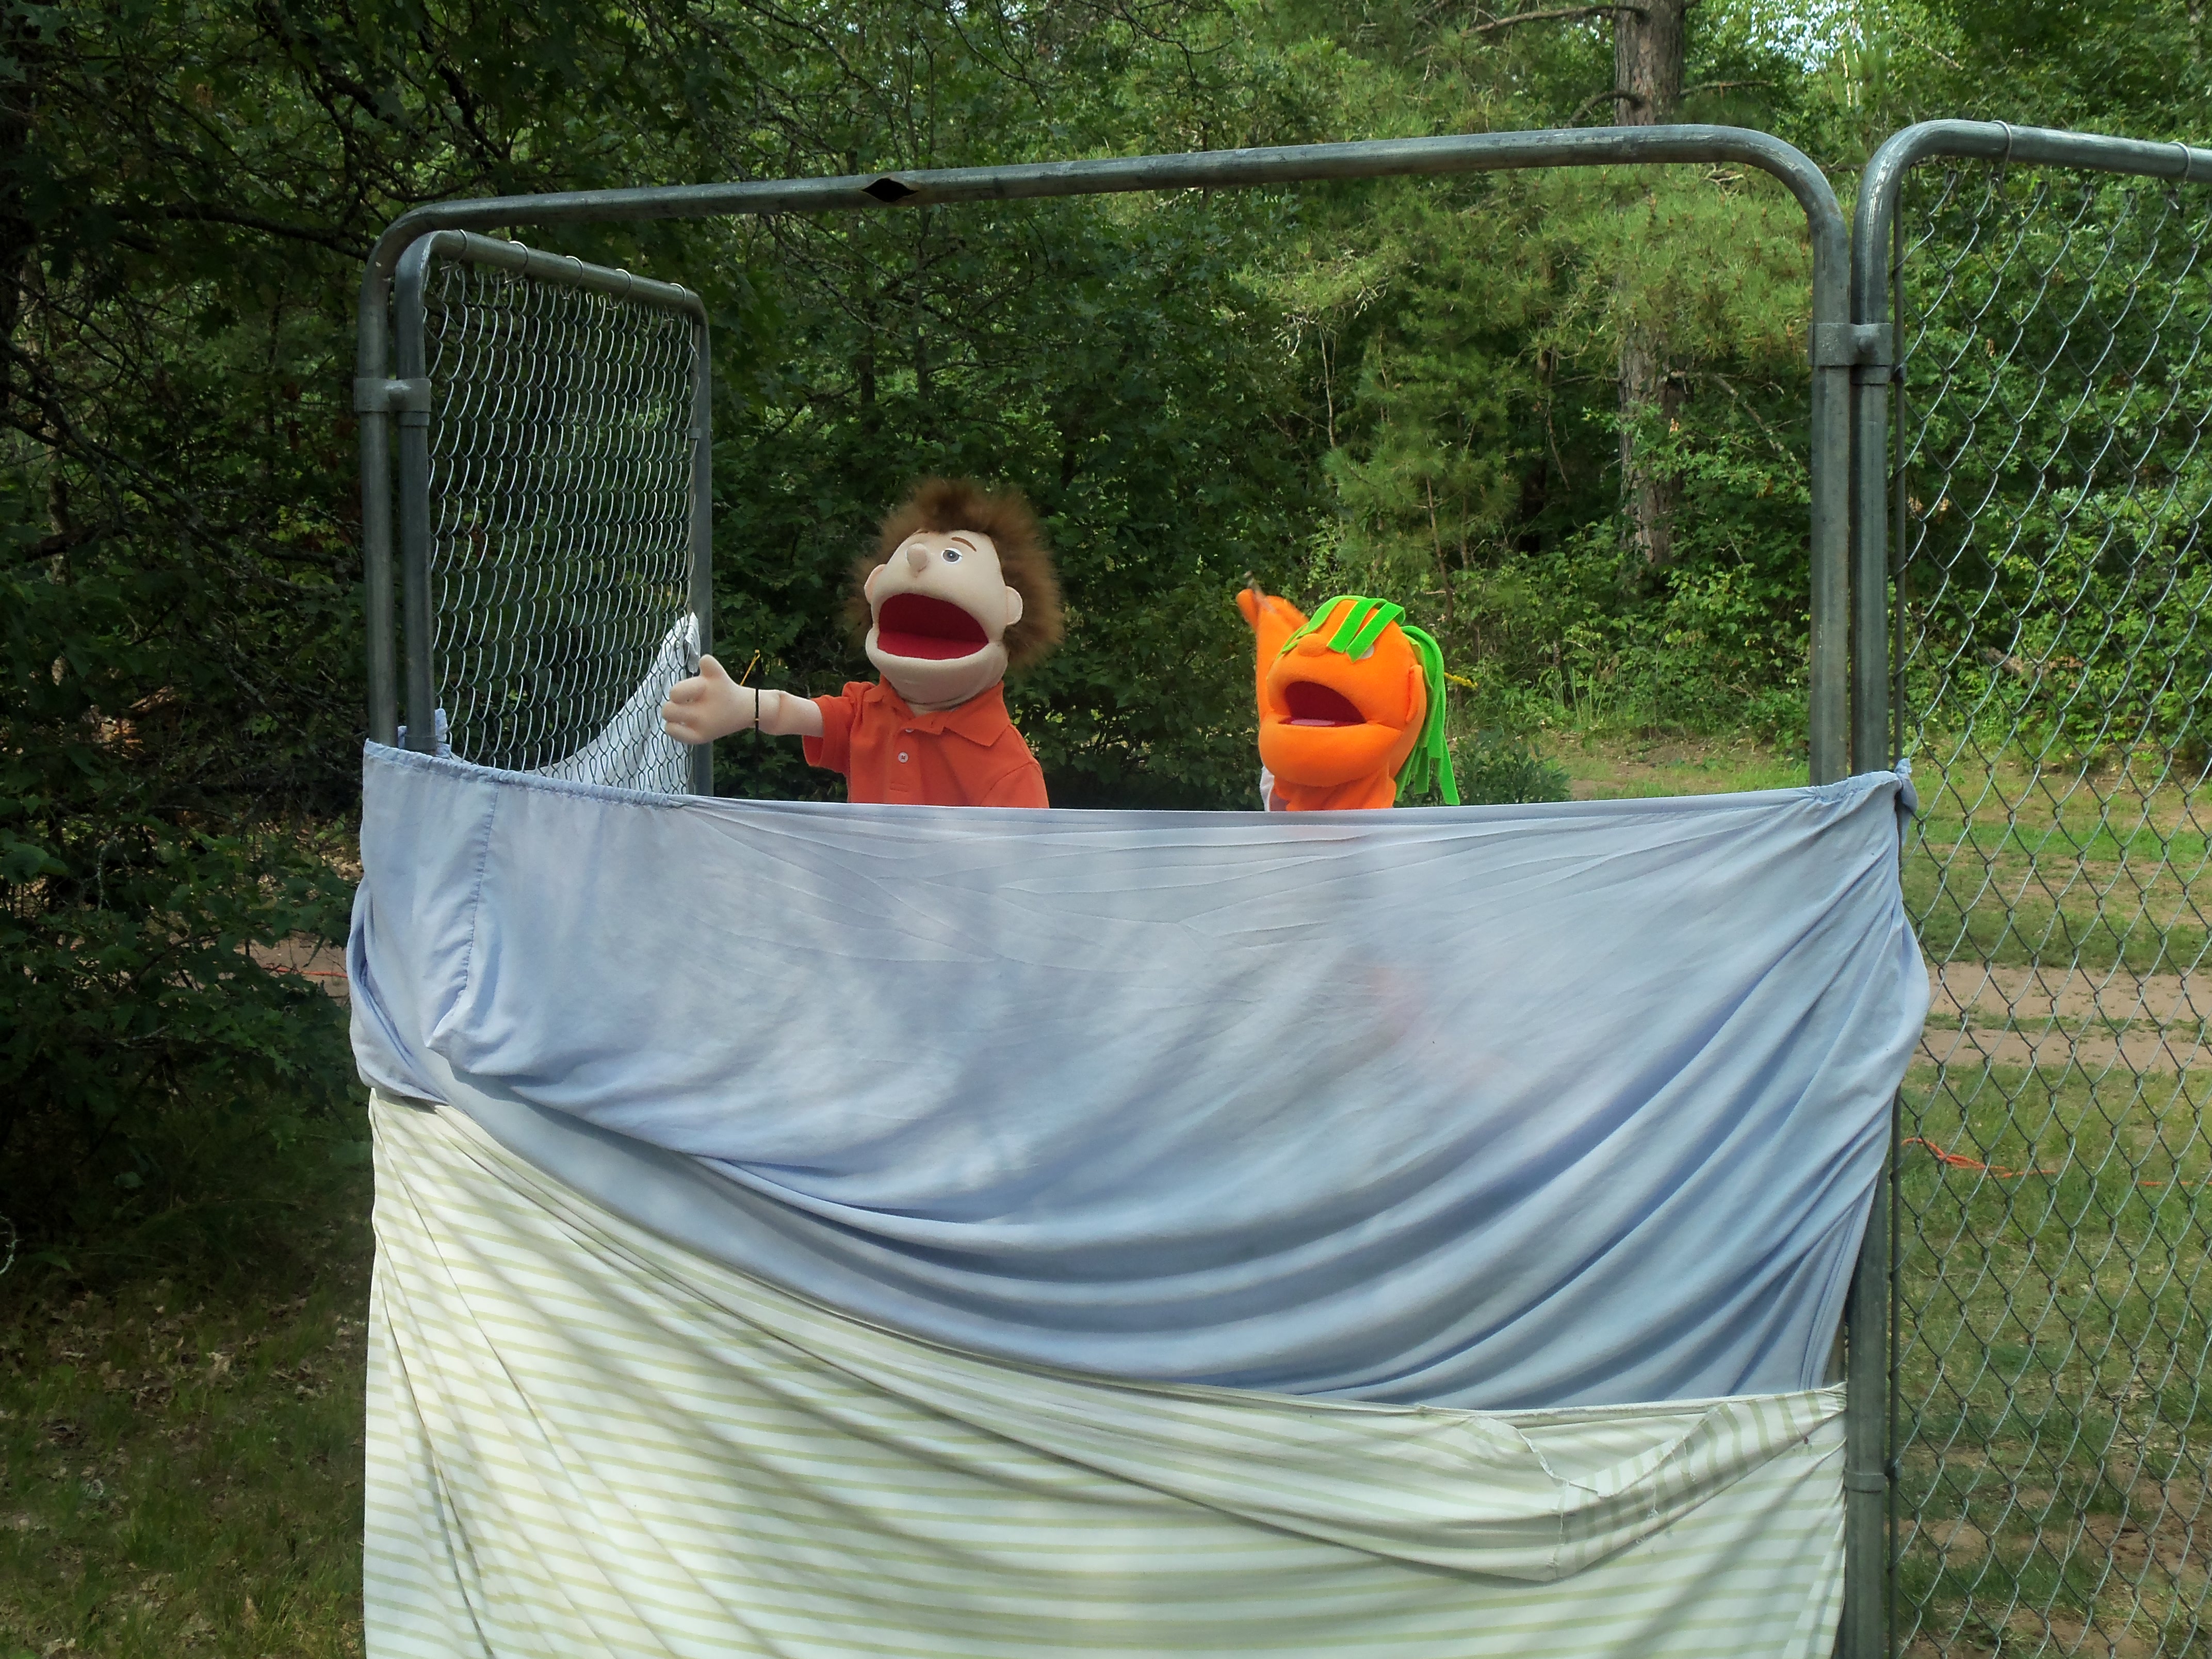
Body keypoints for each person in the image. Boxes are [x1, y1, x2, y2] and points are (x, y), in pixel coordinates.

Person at [662, 478, 1063, 807]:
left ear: (1010, 608)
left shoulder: (1008, 766)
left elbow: (1024, 868)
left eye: (953, 556)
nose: (919, 557)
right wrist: (745, 706)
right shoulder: (865, 711)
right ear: (876, 584)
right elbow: (794, 712)